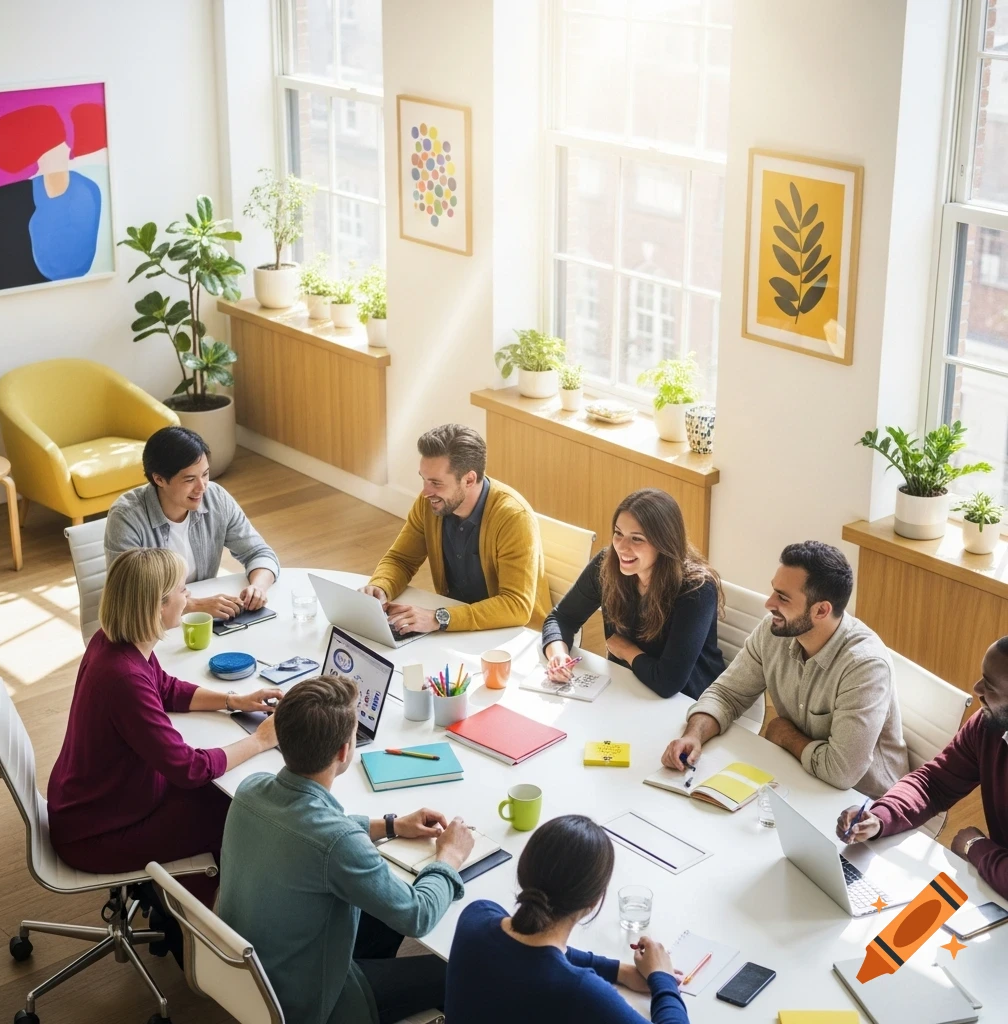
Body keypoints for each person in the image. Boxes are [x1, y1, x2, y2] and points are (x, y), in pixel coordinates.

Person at [219, 675, 474, 1024]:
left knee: (386, 911)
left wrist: (391, 825)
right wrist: (450, 857)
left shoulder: (251, 788)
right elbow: (418, 915)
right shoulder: (337, 844)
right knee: (458, 969)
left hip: (253, 977)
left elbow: (310, 826)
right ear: (344, 751)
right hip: (310, 1002)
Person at [47, 548, 280, 908]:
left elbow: (167, 688)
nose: (189, 597)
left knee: (229, 800)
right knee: (240, 817)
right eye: (182, 590)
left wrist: (235, 700)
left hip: (91, 802)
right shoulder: (123, 677)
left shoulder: (115, 641)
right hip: (97, 832)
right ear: (156, 606)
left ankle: (200, 909)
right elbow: (190, 769)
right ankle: (208, 927)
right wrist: (261, 739)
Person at [661, 541, 908, 798]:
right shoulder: (773, 632)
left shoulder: (864, 667)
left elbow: (841, 772)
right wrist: (694, 735)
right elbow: (726, 695)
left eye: (783, 597)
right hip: (798, 774)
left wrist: (784, 734)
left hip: (864, 805)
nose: (769, 603)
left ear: (821, 610)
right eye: (773, 591)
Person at [444, 814, 688, 1024]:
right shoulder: (580, 991)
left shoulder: (477, 915)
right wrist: (662, 978)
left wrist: (619, 971)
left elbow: (529, 949)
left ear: (524, 869)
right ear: (593, 902)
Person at [837, 636, 1008, 899]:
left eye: (991, 687)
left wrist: (975, 846)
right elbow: (934, 783)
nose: (977, 688)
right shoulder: (988, 725)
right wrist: (879, 817)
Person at [361, 423, 550, 634]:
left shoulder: (513, 518)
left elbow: (516, 606)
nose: (425, 492)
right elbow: (401, 559)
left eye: (436, 483)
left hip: (514, 636)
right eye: (423, 479)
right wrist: (381, 585)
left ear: (469, 479)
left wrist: (438, 618)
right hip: (456, 626)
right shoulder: (430, 504)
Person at [542, 489, 724, 699]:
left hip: (687, 701)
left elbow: (668, 682)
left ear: (664, 543)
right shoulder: (607, 565)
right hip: (627, 686)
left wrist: (626, 650)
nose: (621, 547)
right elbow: (562, 618)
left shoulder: (696, 590)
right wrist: (558, 654)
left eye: (636, 539)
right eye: (618, 533)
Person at [105, 425, 279, 619]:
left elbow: (259, 552)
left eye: (205, 474)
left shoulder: (216, 498)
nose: (202, 487)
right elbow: (130, 595)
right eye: (189, 480)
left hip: (204, 618)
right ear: (159, 479)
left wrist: (258, 587)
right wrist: (195, 605)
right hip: (150, 623)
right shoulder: (126, 516)